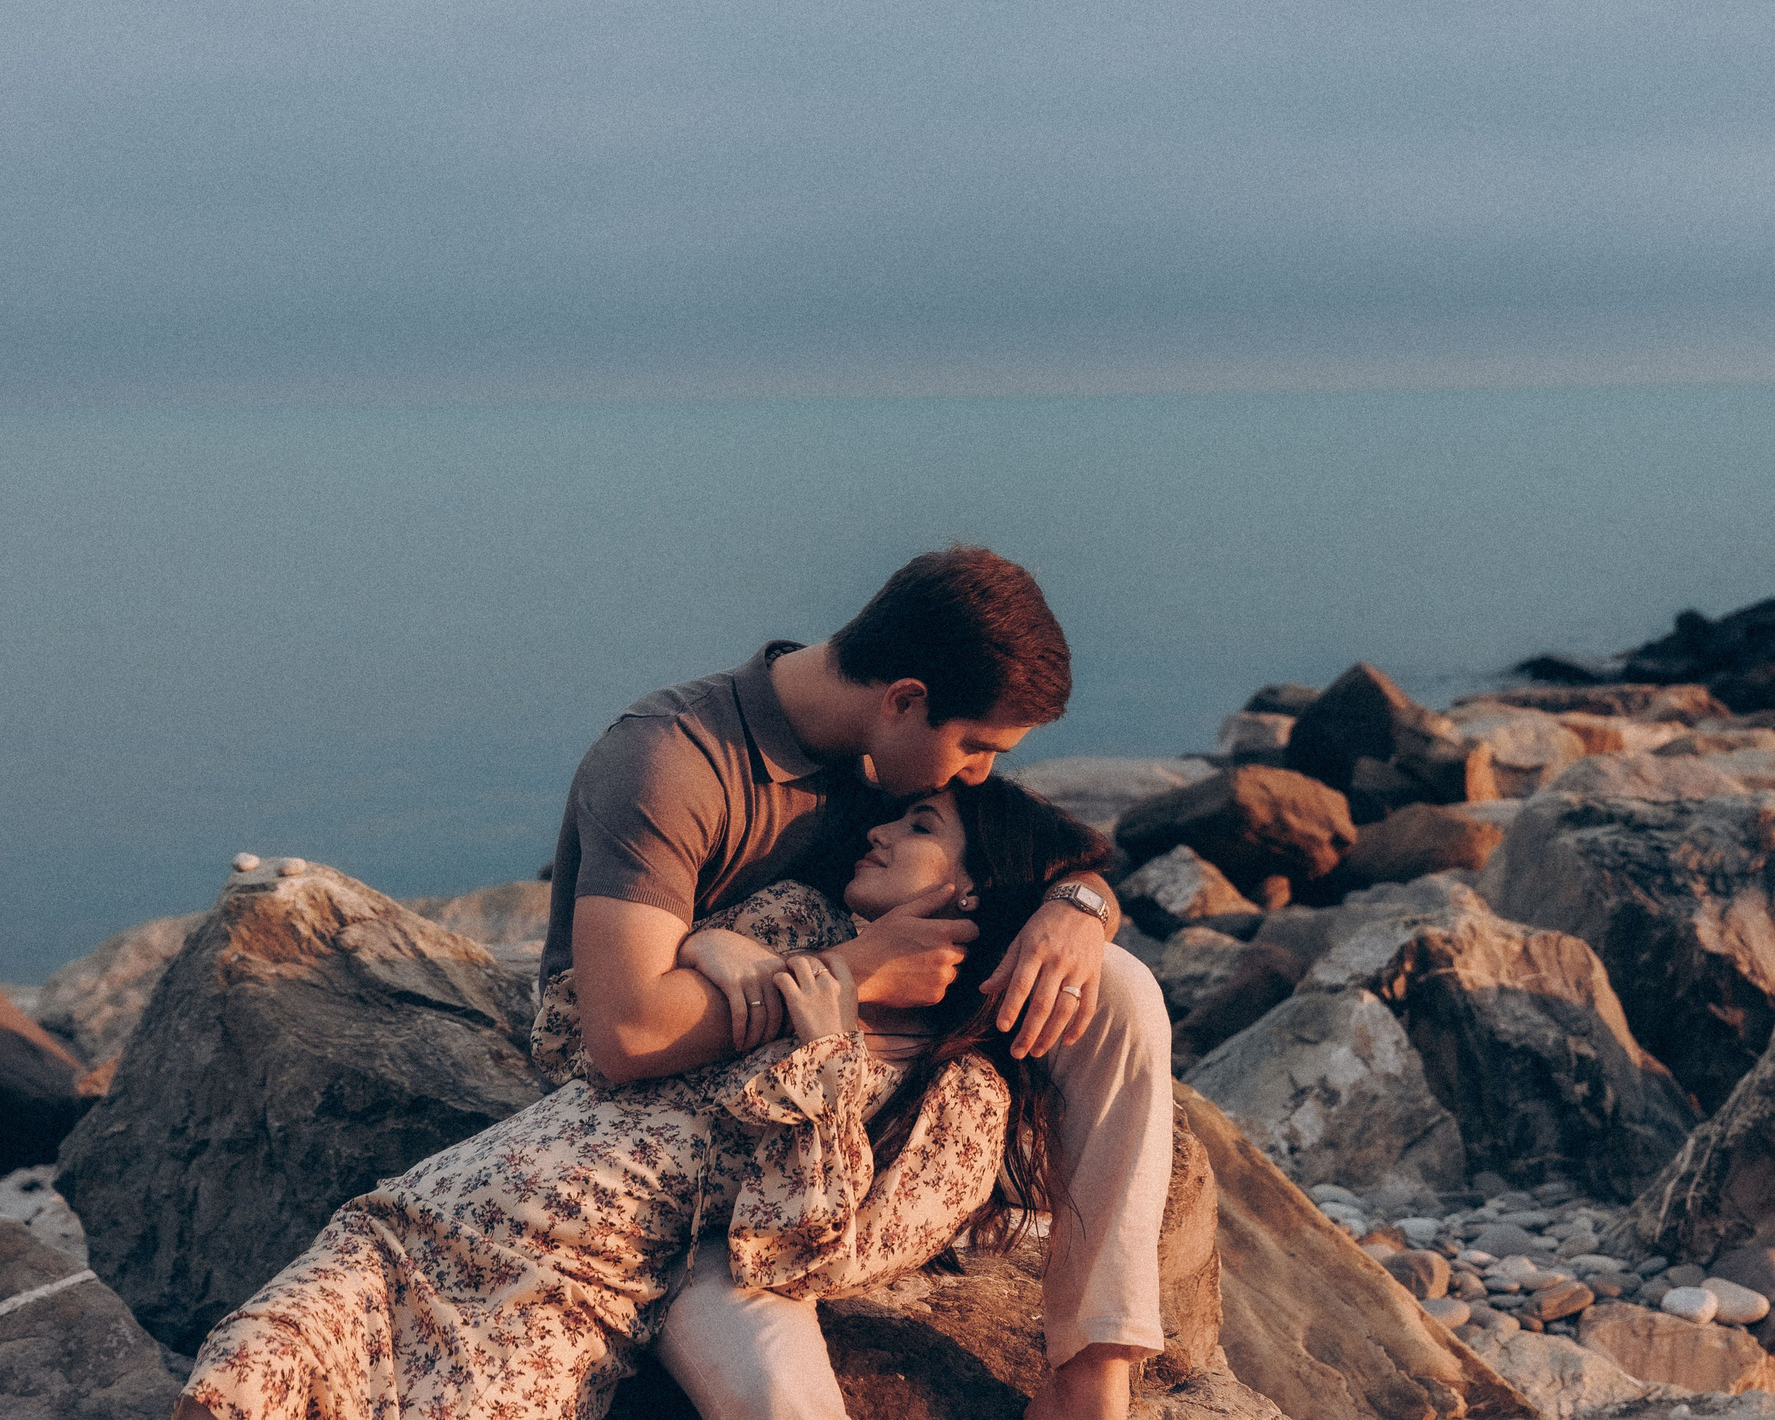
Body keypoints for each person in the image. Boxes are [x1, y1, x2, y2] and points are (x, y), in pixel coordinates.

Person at [176, 775, 1115, 1420]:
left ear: (972, 889)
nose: (878, 829)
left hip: (553, 1308)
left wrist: (826, 1056)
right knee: (231, 1384)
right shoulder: (792, 916)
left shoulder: (959, 1100)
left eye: (920, 826)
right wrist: (718, 951)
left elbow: (806, 1258)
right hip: (409, 1226)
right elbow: (567, 1034)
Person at [536, 545, 1171, 1420]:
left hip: (837, 1104)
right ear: (905, 699)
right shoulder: (673, 759)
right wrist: (858, 969)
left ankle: (1092, 1365)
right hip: (676, 1148)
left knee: (1121, 985)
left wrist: (1078, 902)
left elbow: (1013, 853)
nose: (982, 772)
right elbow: (626, 1033)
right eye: (976, 746)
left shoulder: (891, 768)